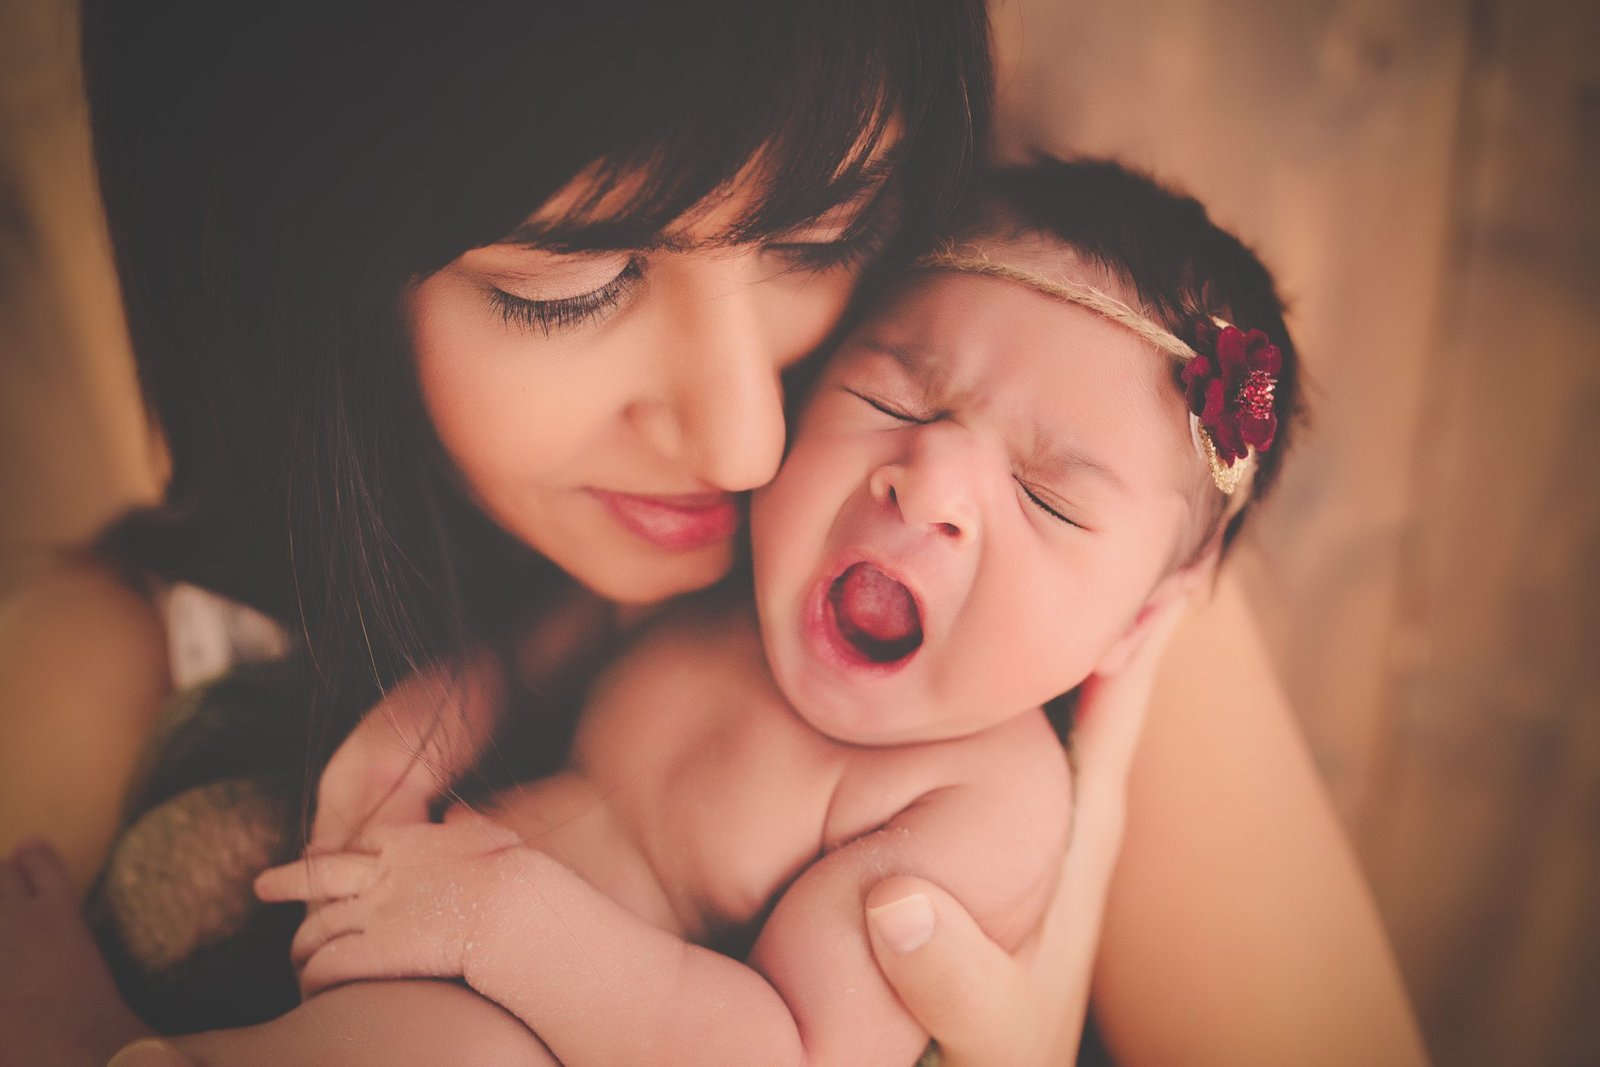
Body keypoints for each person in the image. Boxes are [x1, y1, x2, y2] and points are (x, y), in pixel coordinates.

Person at [0, 4, 1428, 1066]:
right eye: (570, 286)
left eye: (826, 234)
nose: (748, 443)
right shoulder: (98, 666)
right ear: (303, 272)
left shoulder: (1091, 611)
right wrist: (425, 732)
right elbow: (509, 667)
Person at [214, 158, 1302, 1067]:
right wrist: (394, 756)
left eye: (1047, 498)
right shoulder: (709, 583)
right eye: (893, 400)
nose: (926, 483)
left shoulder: (981, 798)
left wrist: (503, 924)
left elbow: (787, 1050)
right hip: (414, 924)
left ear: (1135, 625)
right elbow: (505, 668)